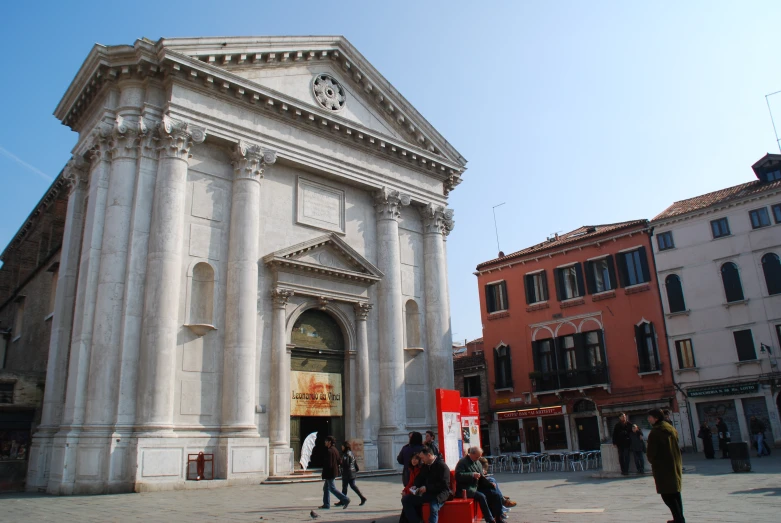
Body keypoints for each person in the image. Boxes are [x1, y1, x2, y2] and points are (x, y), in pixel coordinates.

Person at [646, 409, 684, 523]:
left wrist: (653, 461)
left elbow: (651, 452)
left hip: (663, 466)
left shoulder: (656, 432)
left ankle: (679, 520)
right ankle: (679, 518)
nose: (649, 419)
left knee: (667, 495)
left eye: (650, 417)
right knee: (675, 493)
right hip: (674, 463)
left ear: (656, 418)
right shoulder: (670, 428)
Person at [401, 446, 452, 523]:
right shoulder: (425, 466)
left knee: (433, 507)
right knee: (406, 499)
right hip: (427, 493)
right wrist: (416, 486)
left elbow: (444, 485)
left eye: (422, 458)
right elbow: (420, 478)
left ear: (429, 455)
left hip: (440, 493)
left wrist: (427, 488)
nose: (421, 460)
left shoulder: (442, 466)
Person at [455, 446, 503, 523]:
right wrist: (472, 475)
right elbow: (458, 475)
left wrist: (489, 484)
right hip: (466, 488)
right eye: (477, 456)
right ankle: (489, 519)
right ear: (471, 454)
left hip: (477, 486)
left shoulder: (477, 462)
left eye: (479, 456)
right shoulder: (462, 462)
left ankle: (499, 517)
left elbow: (482, 478)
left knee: (495, 494)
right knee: (482, 496)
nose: (478, 458)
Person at [319, 436, 350, 510]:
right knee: (326, 488)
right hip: (333, 472)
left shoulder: (329, 451)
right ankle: (326, 504)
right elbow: (340, 461)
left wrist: (325, 473)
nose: (325, 442)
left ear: (329, 442)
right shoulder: (335, 450)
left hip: (330, 473)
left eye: (326, 441)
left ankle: (345, 499)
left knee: (332, 488)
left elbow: (328, 464)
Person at [337, 441, 366, 506]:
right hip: (352, 472)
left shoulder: (346, 454)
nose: (341, 447)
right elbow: (354, 463)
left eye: (342, 446)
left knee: (345, 487)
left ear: (345, 447)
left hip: (347, 473)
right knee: (353, 486)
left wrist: (340, 465)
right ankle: (362, 497)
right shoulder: (351, 453)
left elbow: (346, 464)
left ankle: (343, 500)